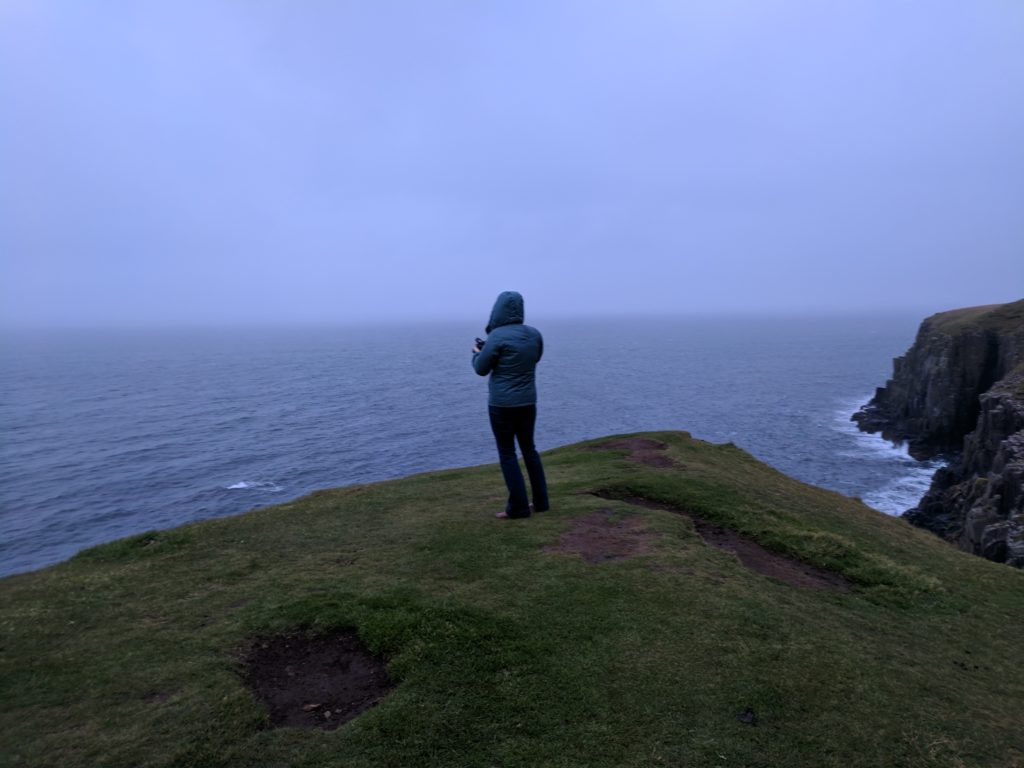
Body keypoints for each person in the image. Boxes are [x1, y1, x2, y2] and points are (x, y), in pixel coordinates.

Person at [472, 291, 550, 519]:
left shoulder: (496, 337)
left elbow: (481, 369)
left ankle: (518, 507)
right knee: (529, 450)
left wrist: (476, 353)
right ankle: (541, 502)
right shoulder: (535, 334)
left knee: (507, 453)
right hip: (528, 401)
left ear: (497, 310)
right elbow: (534, 358)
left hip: (502, 405)